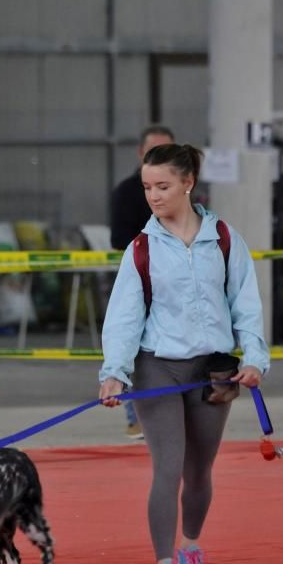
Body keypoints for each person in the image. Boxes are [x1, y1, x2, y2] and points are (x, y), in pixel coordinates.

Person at [98, 143, 269, 564]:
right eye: (147, 187)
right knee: (168, 469)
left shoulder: (226, 240)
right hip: (157, 367)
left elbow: (246, 307)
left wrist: (254, 358)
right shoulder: (141, 248)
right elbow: (123, 317)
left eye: (163, 186)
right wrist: (114, 372)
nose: (153, 196)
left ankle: (191, 548)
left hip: (212, 371)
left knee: (199, 471)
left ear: (188, 183)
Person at [109, 124, 175, 440]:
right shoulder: (126, 192)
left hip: (177, 284)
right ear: (141, 154)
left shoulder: (185, 191)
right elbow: (118, 239)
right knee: (136, 351)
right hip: (139, 282)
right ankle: (136, 416)